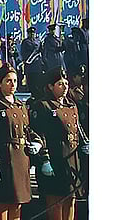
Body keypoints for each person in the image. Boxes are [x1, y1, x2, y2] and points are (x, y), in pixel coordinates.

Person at [0, 64, 44, 220]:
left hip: (21, 158)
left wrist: (37, 142)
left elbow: (27, 129)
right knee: (3, 202)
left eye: (15, 81)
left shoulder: (20, 105)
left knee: (18, 202)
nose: (13, 84)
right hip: (5, 158)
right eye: (8, 81)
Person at [29, 66, 89, 220]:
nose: (64, 87)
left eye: (65, 83)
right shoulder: (43, 106)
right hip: (55, 162)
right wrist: (44, 160)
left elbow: (77, 130)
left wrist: (85, 145)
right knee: (55, 204)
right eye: (60, 84)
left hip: (71, 162)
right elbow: (38, 134)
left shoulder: (71, 104)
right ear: (50, 86)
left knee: (71, 202)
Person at [20, 27, 44, 100]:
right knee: (31, 82)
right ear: (28, 33)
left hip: (37, 65)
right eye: (30, 33)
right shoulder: (25, 42)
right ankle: (32, 95)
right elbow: (23, 53)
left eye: (33, 33)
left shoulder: (38, 41)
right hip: (30, 65)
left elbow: (41, 51)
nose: (32, 34)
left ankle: (37, 96)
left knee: (38, 81)